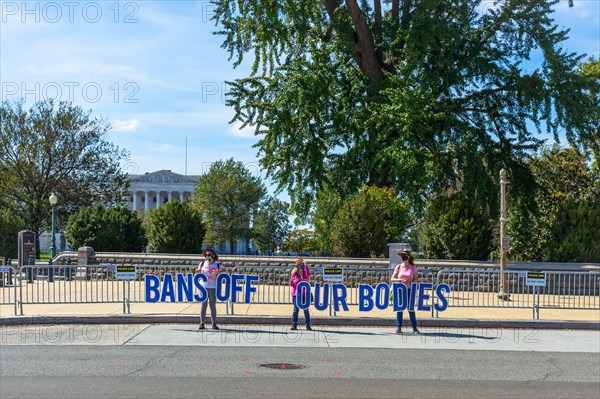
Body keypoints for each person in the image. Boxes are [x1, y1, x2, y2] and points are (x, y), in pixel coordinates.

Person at [390, 250, 420, 334]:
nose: (403, 257)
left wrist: (410, 281)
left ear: (409, 257)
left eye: (405, 255)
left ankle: (414, 327)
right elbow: (392, 278)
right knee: (399, 308)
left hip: (409, 289)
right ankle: (398, 327)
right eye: (402, 256)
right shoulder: (398, 267)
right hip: (400, 289)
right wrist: (400, 280)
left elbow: (416, 279)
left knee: (410, 308)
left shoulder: (413, 267)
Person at [196, 248, 221, 330]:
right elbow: (198, 272)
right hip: (203, 286)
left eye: (210, 254)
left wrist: (217, 271)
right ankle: (202, 323)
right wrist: (198, 270)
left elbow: (219, 273)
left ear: (213, 255)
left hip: (213, 286)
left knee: (212, 305)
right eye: (206, 255)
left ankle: (213, 323)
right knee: (203, 305)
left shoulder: (217, 265)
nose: (208, 256)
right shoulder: (202, 263)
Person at [289, 258, 312, 331]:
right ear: (298, 266)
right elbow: (291, 284)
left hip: (304, 294)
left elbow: (308, 274)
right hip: (296, 294)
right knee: (296, 310)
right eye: (301, 266)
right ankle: (294, 324)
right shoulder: (294, 273)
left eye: (303, 266)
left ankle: (307, 324)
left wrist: (306, 265)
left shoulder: (305, 273)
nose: (302, 267)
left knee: (306, 310)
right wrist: (294, 281)